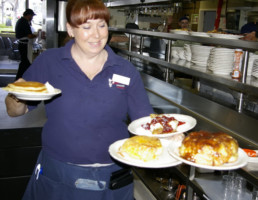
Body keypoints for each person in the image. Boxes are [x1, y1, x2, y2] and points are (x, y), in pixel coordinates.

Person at [5, 0, 153, 199]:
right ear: (71, 29)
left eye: (102, 25)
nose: (97, 34)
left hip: (112, 180)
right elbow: (15, 111)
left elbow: (145, 122)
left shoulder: (125, 70)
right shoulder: (50, 62)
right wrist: (17, 96)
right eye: (86, 26)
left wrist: (171, 137)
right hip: (58, 178)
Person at [15, 8, 37, 80]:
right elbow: (29, 36)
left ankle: (21, 78)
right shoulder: (24, 22)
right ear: (29, 15)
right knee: (25, 62)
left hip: (22, 44)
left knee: (25, 62)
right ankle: (20, 78)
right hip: (24, 45)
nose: (32, 18)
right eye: (32, 16)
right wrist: (37, 35)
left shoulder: (20, 21)